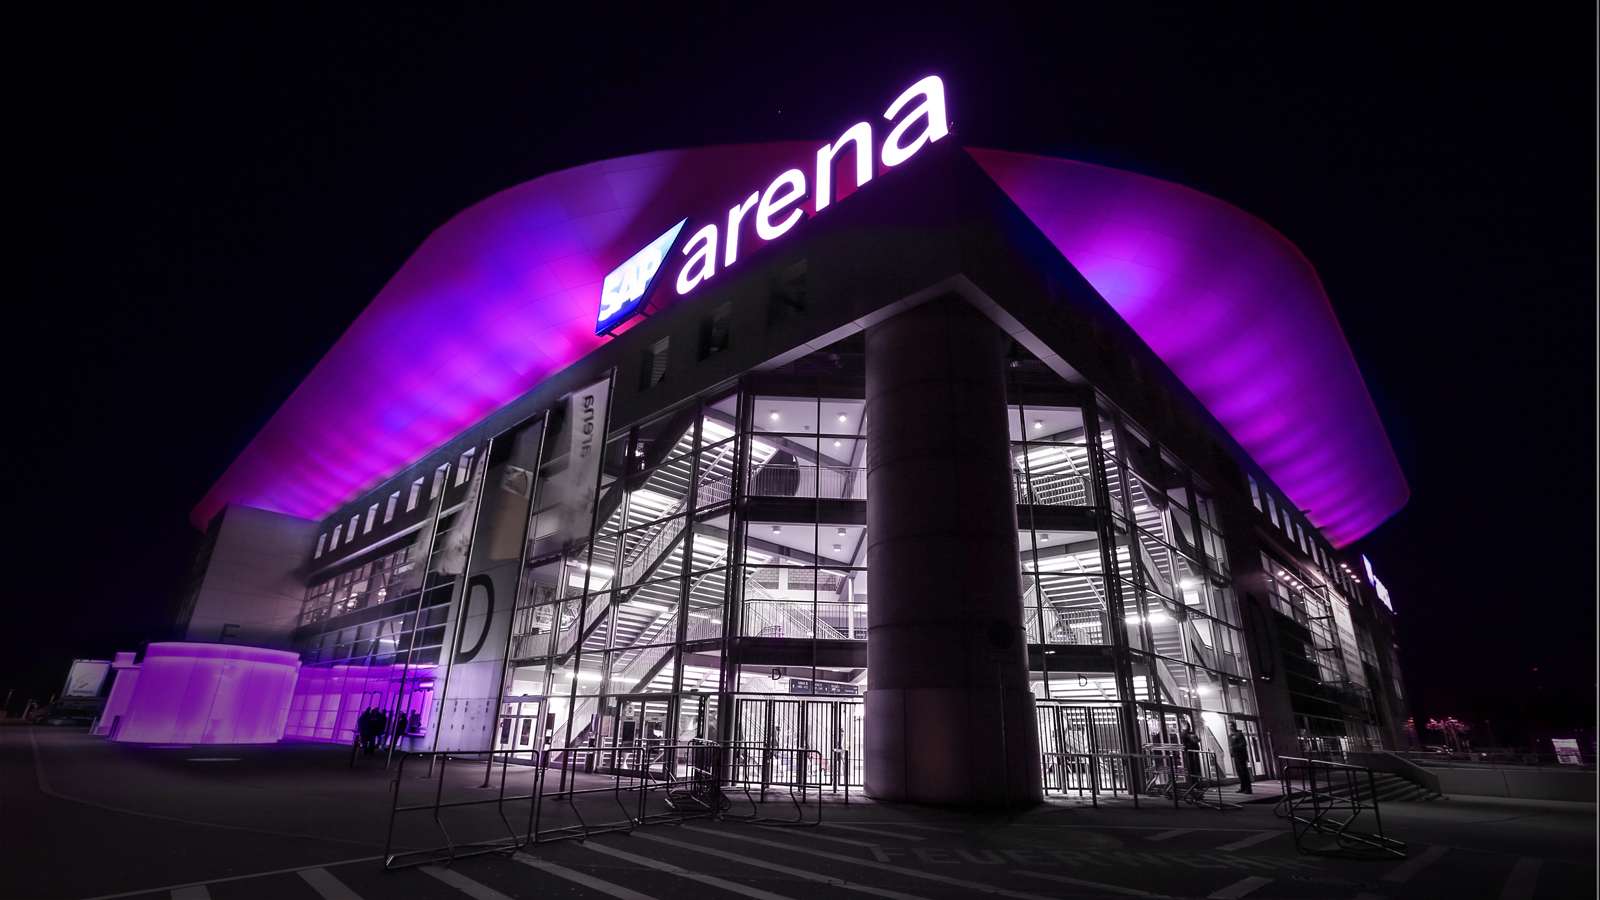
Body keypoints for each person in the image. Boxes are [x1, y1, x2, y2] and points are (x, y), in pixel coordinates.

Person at [1228, 721, 1253, 793]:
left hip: (1241, 755)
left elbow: (1243, 744)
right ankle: (1243, 787)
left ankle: (1248, 789)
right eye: (1229, 726)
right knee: (1239, 772)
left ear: (1234, 726)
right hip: (1235, 755)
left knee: (1244, 772)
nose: (1230, 728)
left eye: (1231, 726)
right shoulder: (1230, 736)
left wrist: (1234, 748)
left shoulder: (1239, 734)